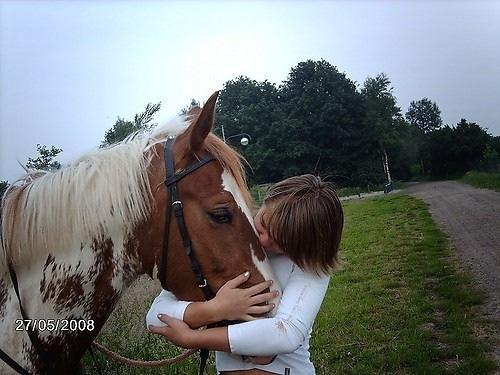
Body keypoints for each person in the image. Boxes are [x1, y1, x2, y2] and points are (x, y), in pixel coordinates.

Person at [146, 174, 343, 374]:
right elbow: (155, 316)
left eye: (282, 242)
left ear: (306, 246)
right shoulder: (227, 245)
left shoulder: (310, 265)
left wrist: (191, 338)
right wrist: (216, 309)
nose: (264, 242)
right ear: (265, 201)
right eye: (264, 225)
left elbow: (286, 333)